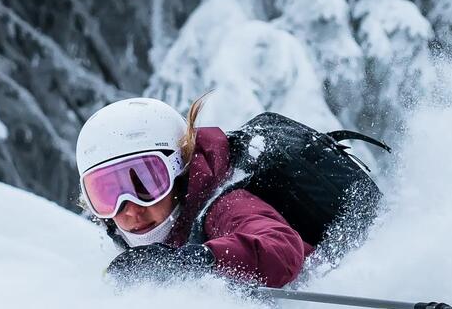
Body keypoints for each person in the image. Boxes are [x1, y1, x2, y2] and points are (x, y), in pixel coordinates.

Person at [76, 97, 310, 288]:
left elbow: (281, 247)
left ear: (179, 168)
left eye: (146, 185)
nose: (131, 209)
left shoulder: (226, 205)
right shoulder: (135, 243)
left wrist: (197, 259)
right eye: (108, 196)